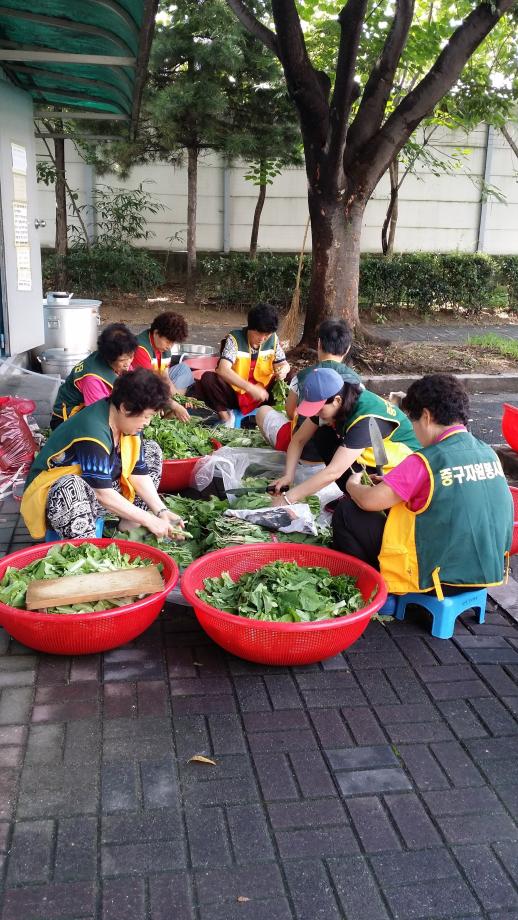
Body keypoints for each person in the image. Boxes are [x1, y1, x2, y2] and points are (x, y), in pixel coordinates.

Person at [339, 373, 513, 597]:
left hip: (438, 579)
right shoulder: (487, 452)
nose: (413, 429)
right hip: (488, 574)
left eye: (413, 421)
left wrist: (353, 485)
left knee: (347, 511)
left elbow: (369, 501)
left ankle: (375, 590)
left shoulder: (426, 460)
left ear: (427, 417)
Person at [21, 368, 185, 542]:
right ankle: (86, 547)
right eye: (146, 416)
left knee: (152, 450)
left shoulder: (127, 423)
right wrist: (149, 519)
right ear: (125, 407)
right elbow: (102, 493)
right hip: (55, 500)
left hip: (95, 489)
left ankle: (126, 527)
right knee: (70, 486)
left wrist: (161, 512)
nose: (147, 423)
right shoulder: (93, 430)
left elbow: (138, 472)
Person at [269, 366, 419, 507]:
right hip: (374, 455)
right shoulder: (339, 398)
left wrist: (287, 498)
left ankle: (359, 498)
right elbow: (299, 439)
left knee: (339, 463)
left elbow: (334, 472)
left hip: (399, 469)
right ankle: (351, 494)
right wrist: (288, 476)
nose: (315, 414)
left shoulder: (366, 419)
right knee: (322, 434)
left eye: (318, 409)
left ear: (337, 401)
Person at [257, 318, 362, 452]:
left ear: (318, 344)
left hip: (302, 450)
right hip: (341, 455)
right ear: (347, 349)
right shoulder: (356, 381)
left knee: (263, 411)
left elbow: (290, 412)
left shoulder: (303, 376)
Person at [195, 302, 290, 426]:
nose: (262, 338)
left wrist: (284, 370)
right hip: (235, 395)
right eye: (258, 333)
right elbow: (222, 370)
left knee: (291, 377)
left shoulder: (273, 339)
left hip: (263, 396)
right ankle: (226, 418)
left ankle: (277, 416)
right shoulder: (234, 339)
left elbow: (283, 364)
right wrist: (250, 388)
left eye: (267, 335)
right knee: (208, 379)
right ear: (250, 327)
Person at [50, 323, 138, 429]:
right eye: (122, 360)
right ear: (109, 358)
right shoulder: (92, 379)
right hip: (66, 422)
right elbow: (98, 416)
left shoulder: (117, 358)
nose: (128, 363)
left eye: (131, 357)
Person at [131, 311, 194, 423]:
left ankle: (166, 412)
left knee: (184, 369)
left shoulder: (164, 349)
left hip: (154, 384)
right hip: (138, 389)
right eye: (167, 341)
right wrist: (174, 405)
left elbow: (165, 378)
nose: (169, 346)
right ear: (156, 333)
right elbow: (147, 386)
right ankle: (161, 414)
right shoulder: (141, 349)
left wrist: (179, 399)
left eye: (172, 343)